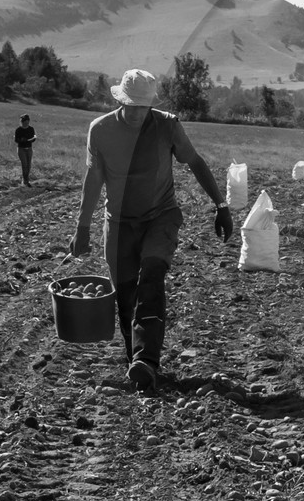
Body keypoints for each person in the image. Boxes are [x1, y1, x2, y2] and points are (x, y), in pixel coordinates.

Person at [71, 68, 232, 391]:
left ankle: (147, 359)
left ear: (150, 106)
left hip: (161, 216)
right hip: (118, 222)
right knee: (126, 294)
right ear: (120, 100)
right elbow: (94, 180)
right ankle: (137, 365)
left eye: (141, 107)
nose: (135, 113)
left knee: (152, 274)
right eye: (130, 105)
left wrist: (221, 205)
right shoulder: (100, 130)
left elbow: (196, 162)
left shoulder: (167, 126)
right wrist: (83, 227)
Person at [14, 113, 36, 185]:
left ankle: (26, 179)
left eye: (27, 122)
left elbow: (34, 137)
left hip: (29, 148)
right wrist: (21, 140)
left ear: (29, 121)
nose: (26, 124)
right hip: (21, 149)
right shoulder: (18, 130)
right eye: (24, 122)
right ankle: (24, 180)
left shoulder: (31, 129)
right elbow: (16, 140)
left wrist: (32, 139)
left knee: (29, 165)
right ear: (22, 122)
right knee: (24, 164)